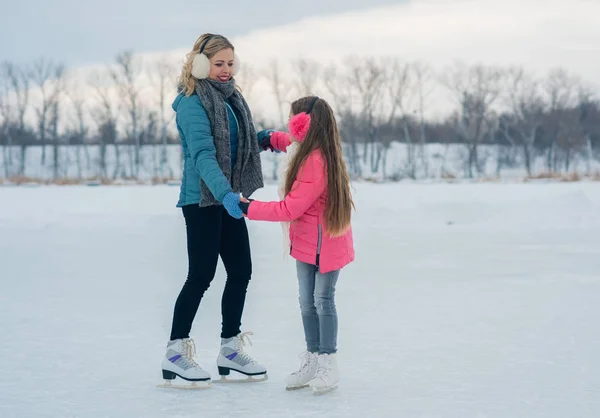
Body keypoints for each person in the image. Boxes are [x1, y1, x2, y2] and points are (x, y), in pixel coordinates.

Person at [161, 33, 271, 386]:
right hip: (203, 199)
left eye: (230, 63)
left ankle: (229, 349)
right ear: (201, 64)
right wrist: (226, 195)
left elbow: (234, 143)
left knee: (241, 270)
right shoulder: (192, 102)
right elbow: (205, 155)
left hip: (227, 197)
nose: (225, 70)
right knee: (201, 275)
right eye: (218, 64)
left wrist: (263, 139)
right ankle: (176, 353)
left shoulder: (232, 98)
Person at [239, 96, 355, 394]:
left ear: (304, 124)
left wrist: (247, 207)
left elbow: (289, 209)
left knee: (322, 300)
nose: (290, 128)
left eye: (293, 121)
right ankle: (313, 359)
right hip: (305, 242)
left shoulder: (316, 161)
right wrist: (268, 139)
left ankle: (329, 362)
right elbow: (288, 142)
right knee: (307, 302)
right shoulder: (308, 150)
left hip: (325, 243)